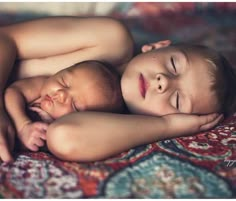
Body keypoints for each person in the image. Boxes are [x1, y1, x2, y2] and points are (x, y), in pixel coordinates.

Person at [0, 16, 234, 162]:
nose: (164, 82)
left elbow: (64, 137)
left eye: (177, 101)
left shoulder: (115, 128)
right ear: (158, 46)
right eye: (173, 64)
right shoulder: (110, 40)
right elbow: (5, 38)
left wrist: (167, 127)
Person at [4, 60, 123, 152]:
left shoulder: (62, 131)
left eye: (75, 105)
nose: (61, 94)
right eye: (64, 82)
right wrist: (23, 125)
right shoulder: (40, 86)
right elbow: (12, 92)